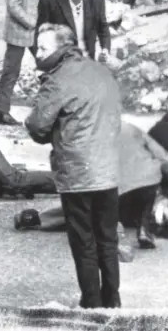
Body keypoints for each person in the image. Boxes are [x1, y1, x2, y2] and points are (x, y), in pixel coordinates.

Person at [25, 23, 122, 309]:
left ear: (62, 47)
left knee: (84, 241)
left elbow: (38, 127)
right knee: (108, 239)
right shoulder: (101, 71)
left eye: (43, 48)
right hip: (109, 170)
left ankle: (91, 305)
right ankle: (113, 301)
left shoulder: (56, 80)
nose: (37, 53)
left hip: (77, 173)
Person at [15, 121, 168, 251]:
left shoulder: (86, 133)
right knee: (141, 199)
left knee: (84, 207)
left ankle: (37, 219)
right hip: (147, 182)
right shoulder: (131, 128)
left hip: (111, 186)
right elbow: (167, 161)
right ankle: (144, 229)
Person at [35, 0, 111, 65]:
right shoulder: (49, 0)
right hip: (61, 63)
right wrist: (43, 63)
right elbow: (39, 34)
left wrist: (105, 49)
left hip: (88, 60)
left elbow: (103, 27)